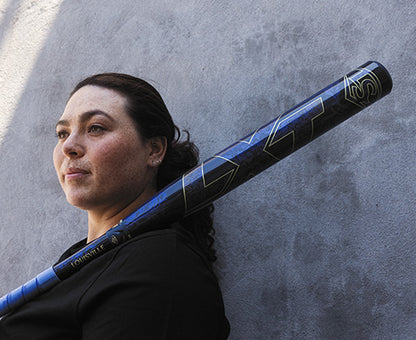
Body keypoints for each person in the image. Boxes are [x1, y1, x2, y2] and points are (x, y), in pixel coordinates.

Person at [0, 73, 230, 339]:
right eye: (62, 133)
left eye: (95, 128)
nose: (69, 146)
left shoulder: (157, 263)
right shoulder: (83, 260)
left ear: (154, 150)